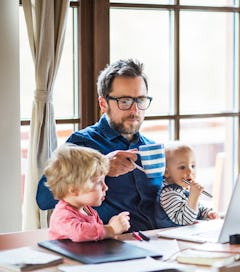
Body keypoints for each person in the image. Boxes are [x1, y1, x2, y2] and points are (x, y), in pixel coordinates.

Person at [36, 59, 162, 231]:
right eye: (124, 101)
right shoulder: (82, 144)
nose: (135, 110)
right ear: (103, 104)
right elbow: (43, 198)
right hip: (106, 245)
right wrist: (102, 166)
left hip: (159, 243)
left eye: (140, 100)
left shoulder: (151, 147)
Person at [45, 143, 130, 242]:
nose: (105, 187)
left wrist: (111, 227)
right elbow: (80, 233)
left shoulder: (87, 210)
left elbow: (95, 236)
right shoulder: (62, 216)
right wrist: (110, 229)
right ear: (74, 190)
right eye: (98, 183)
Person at [155, 142, 218, 228]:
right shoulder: (168, 194)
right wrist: (194, 196)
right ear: (167, 172)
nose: (190, 171)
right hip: (170, 236)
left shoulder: (183, 189)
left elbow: (197, 208)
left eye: (192, 166)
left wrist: (207, 213)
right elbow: (185, 219)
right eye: (182, 167)